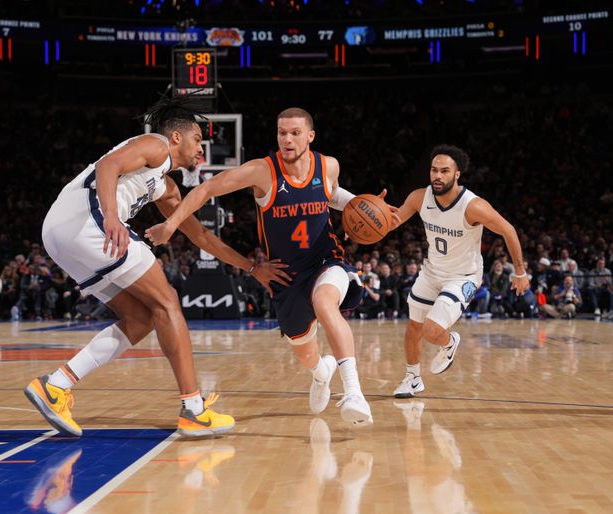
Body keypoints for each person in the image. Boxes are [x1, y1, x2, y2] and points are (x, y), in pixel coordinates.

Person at [24, 95, 289, 438]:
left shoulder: (166, 188)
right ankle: (193, 409)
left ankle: (55, 386)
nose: (201, 150)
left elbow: (200, 236)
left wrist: (252, 268)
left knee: (141, 317)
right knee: (167, 302)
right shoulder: (156, 145)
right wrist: (111, 218)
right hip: (87, 220)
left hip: (60, 235)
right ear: (177, 137)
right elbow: (107, 167)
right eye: (197, 140)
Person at [146, 107, 398, 424]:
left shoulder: (328, 165)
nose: (287, 139)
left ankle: (354, 393)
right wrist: (171, 224)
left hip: (326, 261)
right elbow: (206, 189)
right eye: (281, 133)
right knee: (306, 354)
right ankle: (322, 373)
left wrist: (372, 210)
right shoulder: (261, 171)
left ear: (310, 136)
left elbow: (331, 194)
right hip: (286, 275)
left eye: (295, 133)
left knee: (324, 302)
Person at [389, 145, 529, 398]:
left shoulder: (473, 206)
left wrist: (520, 272)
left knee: (432, 331)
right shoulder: (419, 197)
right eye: (434, 170)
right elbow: (392, 222)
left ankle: (450, 342)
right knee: (413, 328)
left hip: (462, 276)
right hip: (431, 272)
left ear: (457, 175)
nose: (437, 176)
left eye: (445, 171)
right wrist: (365, 220)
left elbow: (508, 230)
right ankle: (412, 379)